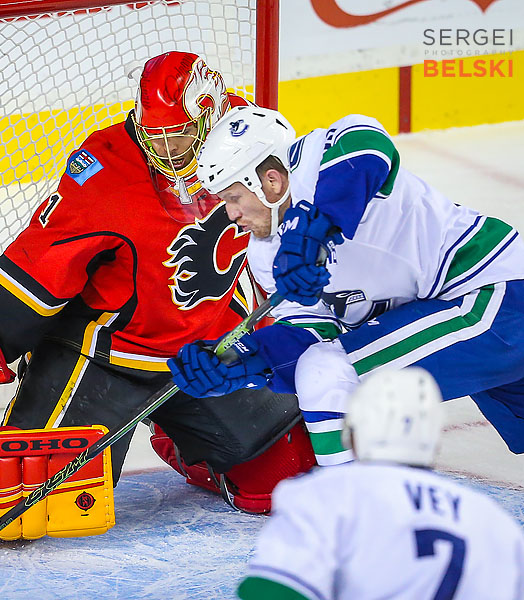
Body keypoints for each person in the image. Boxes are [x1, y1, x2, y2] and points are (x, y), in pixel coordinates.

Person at [0, 52, 317, 513]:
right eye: (155, 137)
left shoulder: (250, 139)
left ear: (210, 113)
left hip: (206, 351)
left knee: (286, 478)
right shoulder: (105, 167)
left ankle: (178, 435)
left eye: (180, 134)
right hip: (102, 357)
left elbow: (279, 229)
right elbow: (40, 263)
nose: (166, 151)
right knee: (31, 502)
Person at [169, 106, 524, 466]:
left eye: (232, 198)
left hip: (494, 295)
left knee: (326, 371)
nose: (230, 214)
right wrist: (240, 360)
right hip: (460, 316)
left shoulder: (317, 158)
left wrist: (314, 230)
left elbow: (369, 144)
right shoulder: (265, 256)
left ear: (271, 182)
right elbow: (313, 333)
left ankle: (349, 512)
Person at [237, 367, 524, 600]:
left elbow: (270, 591)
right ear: (435, 438)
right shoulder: (490, 519)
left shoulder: (324, 496)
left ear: (352, 434)